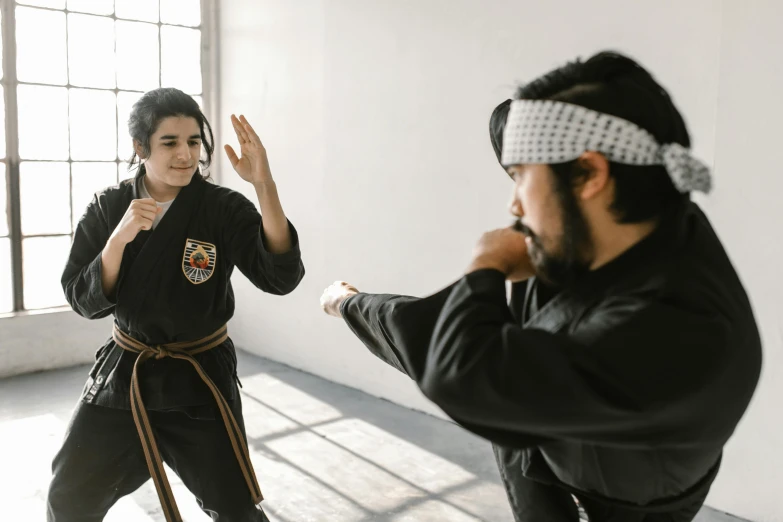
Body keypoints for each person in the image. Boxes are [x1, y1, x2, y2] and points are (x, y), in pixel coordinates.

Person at [320, 51, 761, 521]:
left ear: (590, 174)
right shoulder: (633, 225)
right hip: (541, 455)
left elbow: (460, 369)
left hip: (634, 504)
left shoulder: (676, 329)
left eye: (520, 178)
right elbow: (433, 332)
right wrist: (351, 304)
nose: (514, 205)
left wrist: (485, 262)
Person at [48, 87, 304, 522]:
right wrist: (118, 240)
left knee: (236, 510)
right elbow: (81, 297)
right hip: (126, 375)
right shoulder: (109, 206)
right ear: (140, 146)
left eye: (193, 142)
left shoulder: (220, 207)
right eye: (170, 142)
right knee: (69, 496)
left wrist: (264, 185)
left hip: (199, 378)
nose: (186, 154)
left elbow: (278, 276)